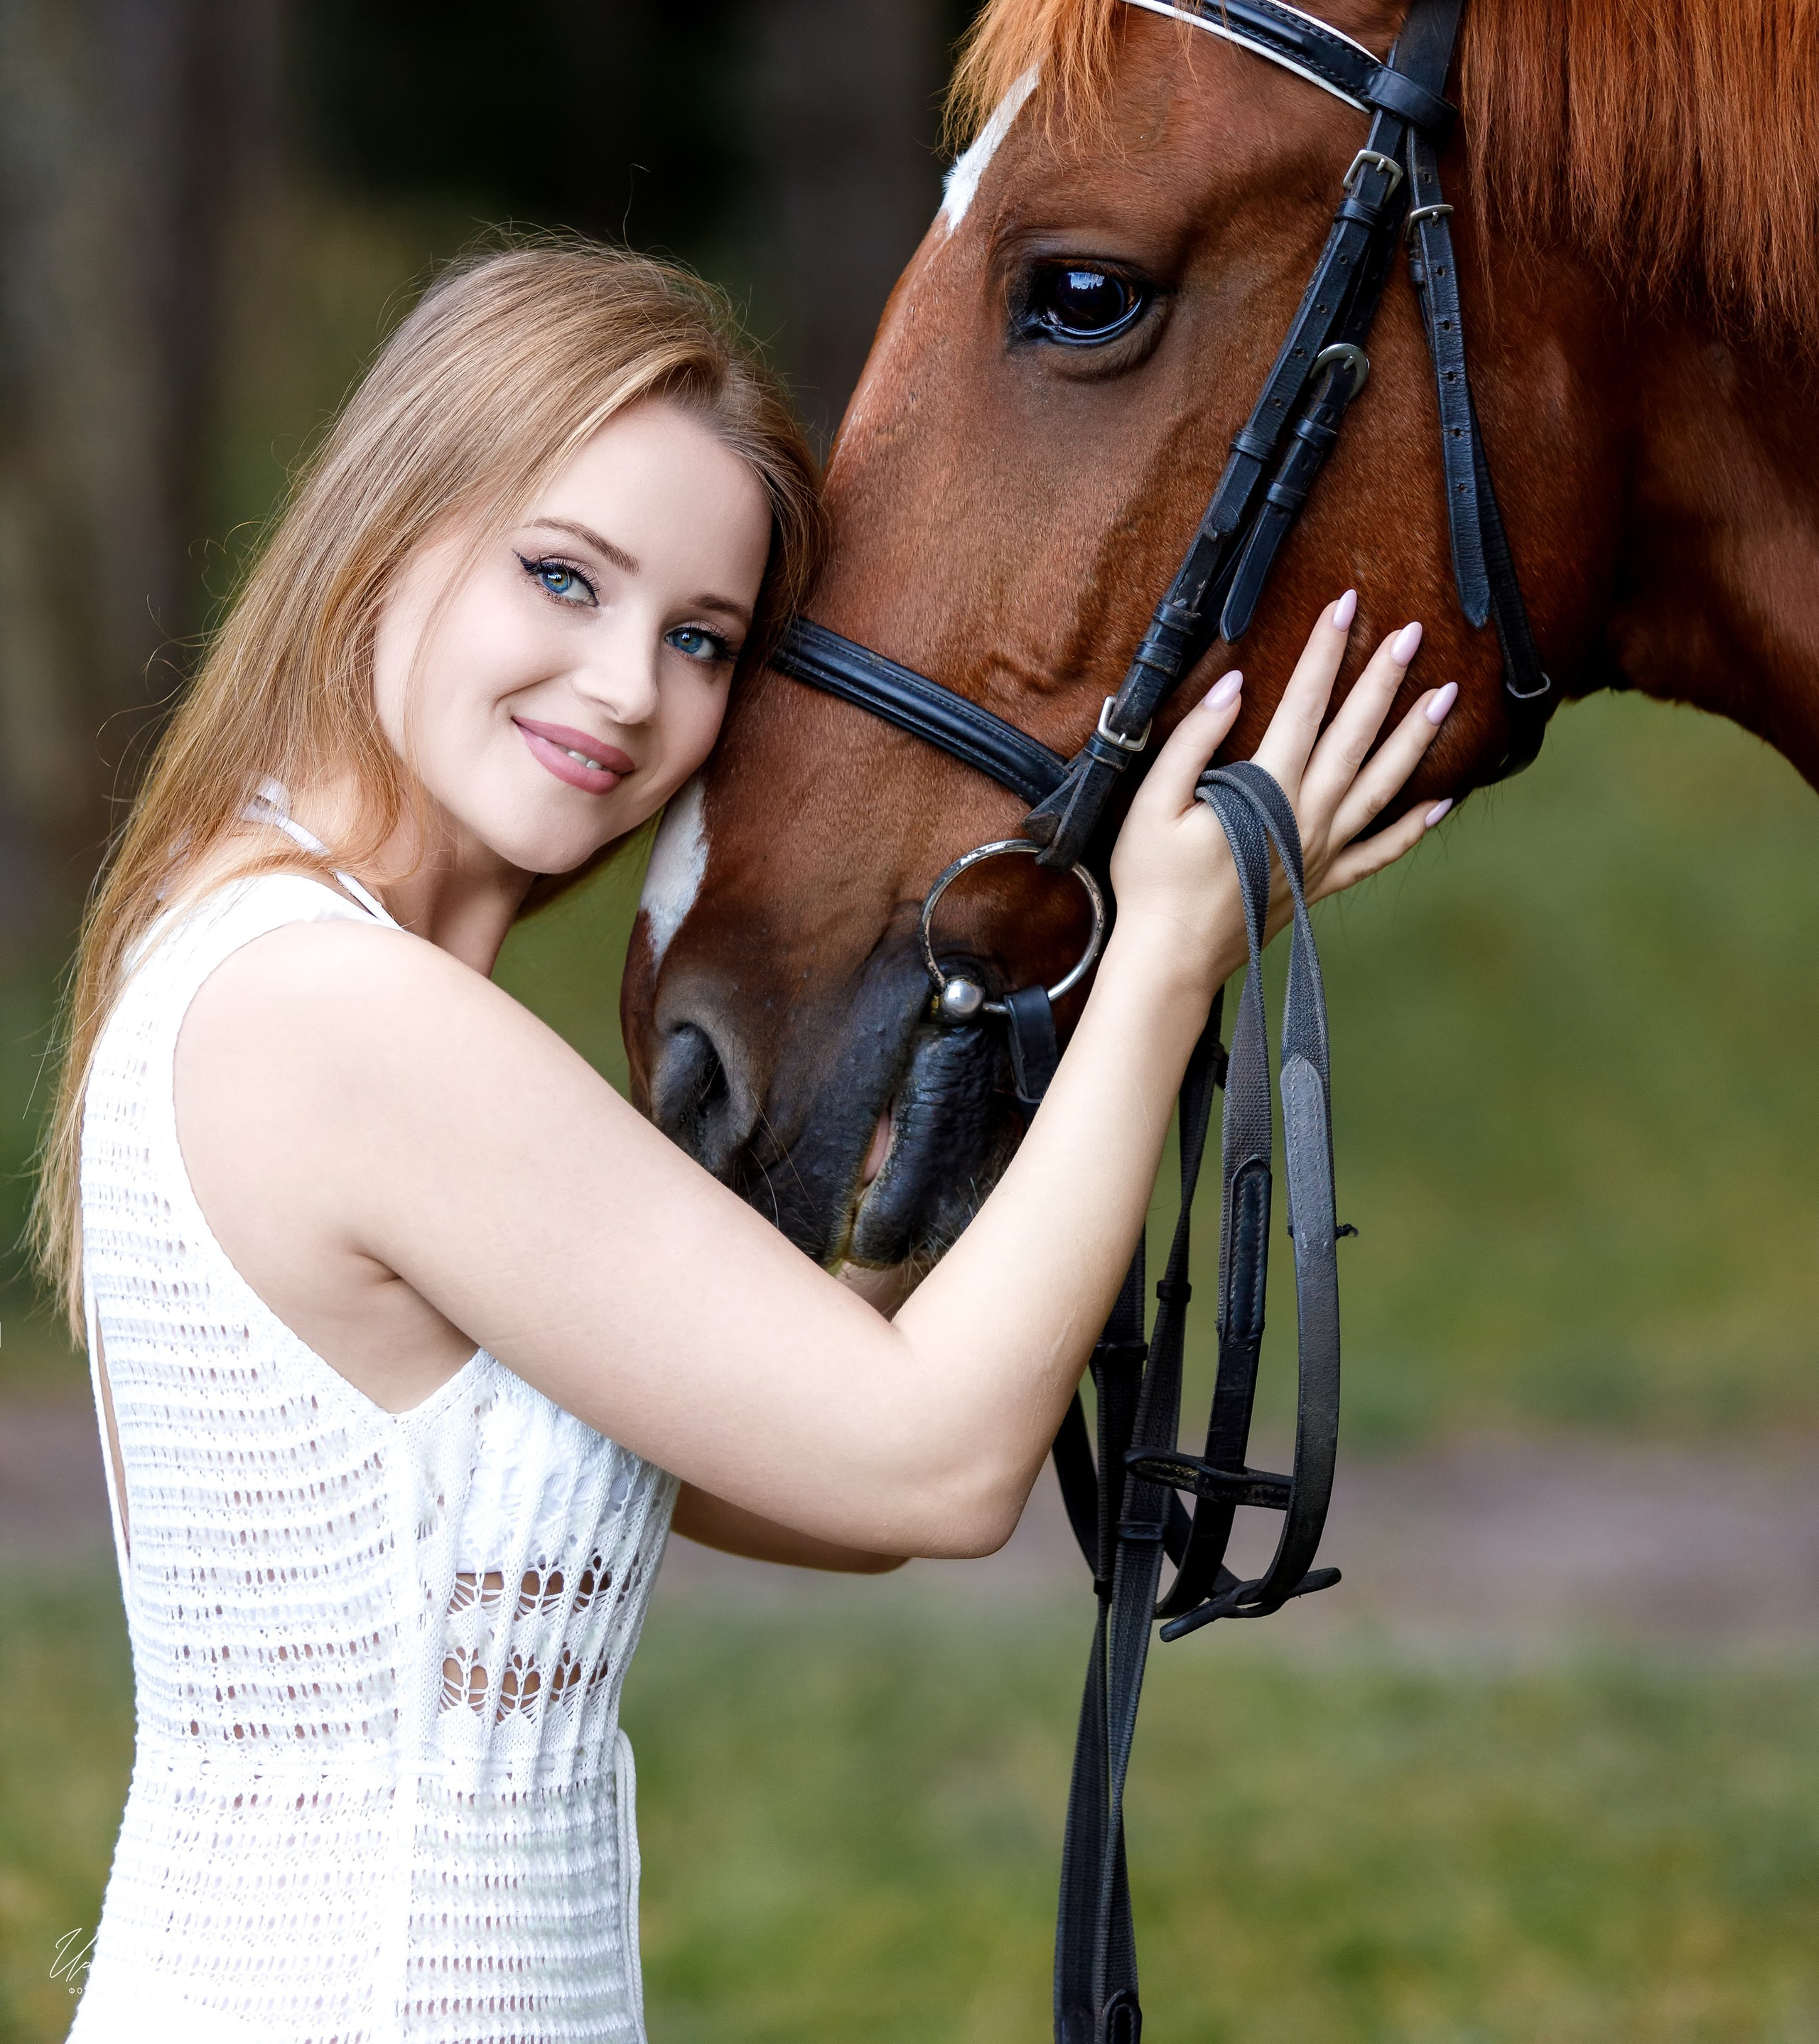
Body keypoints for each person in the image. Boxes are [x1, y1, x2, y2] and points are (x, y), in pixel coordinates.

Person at [31, 242, 1458, 2043]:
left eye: (698, 637)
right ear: (381, 535)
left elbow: (822, 1473)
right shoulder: (342, 1019)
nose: (627, 687)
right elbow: (922, 1467)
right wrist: (1163, 957)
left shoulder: (260, 955)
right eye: (562, 577)